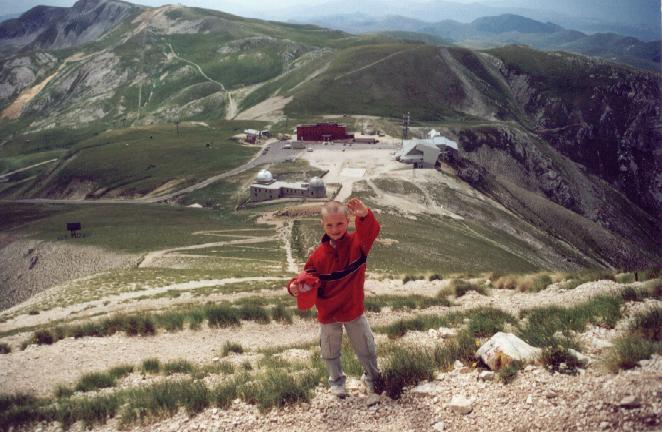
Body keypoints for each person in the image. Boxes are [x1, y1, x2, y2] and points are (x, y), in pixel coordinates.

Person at [287, 198, 381, 399]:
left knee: (365, 347)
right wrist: (293, 286)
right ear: (322, 225)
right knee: (330, 351)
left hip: (353, 309)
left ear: (348, 221)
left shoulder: (359, 244)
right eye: (329, 225)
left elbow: (371, 231)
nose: (335, 229)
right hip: (328, 313)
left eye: (339, 223)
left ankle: (373, 378)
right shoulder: (317, 255)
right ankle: (337, 382)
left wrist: (364, 216)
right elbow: (306, 277)